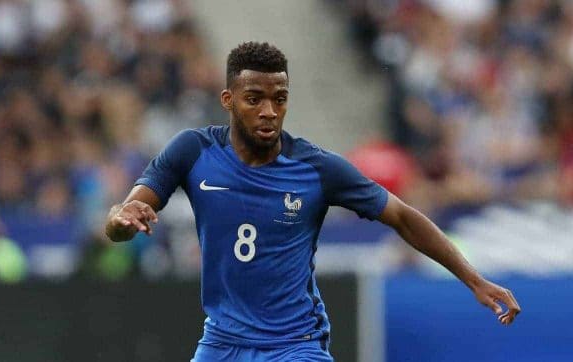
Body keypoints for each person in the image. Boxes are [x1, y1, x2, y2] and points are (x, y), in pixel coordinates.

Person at [105, 42, 521, 362]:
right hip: (223, 340)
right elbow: (122, 218)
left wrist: (473, 279)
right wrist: (122, 219)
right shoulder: (192, 151)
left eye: (280, 99)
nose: (269, 111)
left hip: (294, 344)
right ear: (229, 100)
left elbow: (403, 217)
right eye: (255, 99)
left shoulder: (317, 168)